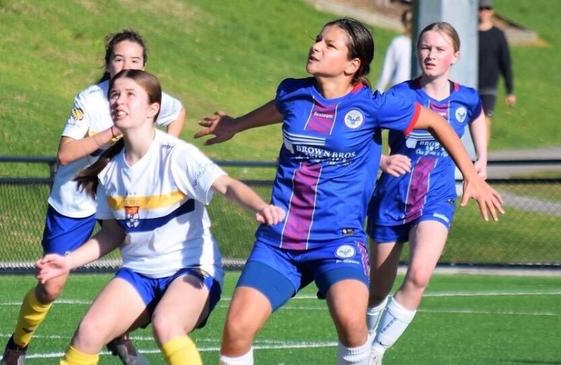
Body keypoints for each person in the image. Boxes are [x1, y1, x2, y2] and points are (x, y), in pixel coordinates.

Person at [195, 17, 503, 365]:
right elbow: (279, 108)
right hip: (280, 240)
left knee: (353, 325)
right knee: (236, 330)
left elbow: (435, 121)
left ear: (352, 65)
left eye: (330, 45)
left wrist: (472, 174)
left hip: (337, 240)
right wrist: (236, 125)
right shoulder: (293, 91)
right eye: (318, 40)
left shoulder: (375, 105)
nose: (316, 47)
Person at [35, 69, 285, 365]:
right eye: (114, 94)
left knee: (166, 324)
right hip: (140, 272)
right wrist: (67, 261)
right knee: (89, 332)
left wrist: (259, 206)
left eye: (130, 94)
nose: (119, 101)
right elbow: (113, 234)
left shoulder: (176, 155)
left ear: (153, 109)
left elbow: (226, 185)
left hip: (191, 269)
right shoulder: (109, 170)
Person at [0, 29, 185, 365]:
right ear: (107, 64)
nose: (127, 65)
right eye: (119, 59)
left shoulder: (149, 97)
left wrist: (165, 156)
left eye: (135, 60)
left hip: (123, 198)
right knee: (51, 286)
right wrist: (114, 130)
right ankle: (18, 343)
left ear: (144, 66)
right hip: (77, 199)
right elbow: (66, 154)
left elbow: (177, 110)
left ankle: (118, 332)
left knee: (153, 269)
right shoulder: (90, 100)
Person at [365, 22, 493, 364]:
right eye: (425, 47)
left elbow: (479, 114)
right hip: (391, 198)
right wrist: (382, 160)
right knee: (377, 290)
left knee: (419, 275)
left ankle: (376, 353)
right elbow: (358, 130)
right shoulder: (400, 96)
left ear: (455, 56)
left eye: (439, 49)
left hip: (436, 197)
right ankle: (361, 345)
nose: (430, 55)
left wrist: (482, 157)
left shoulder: (465, 97)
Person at [478, 0, 516, 142]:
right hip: (471, 84)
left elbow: (505, 63)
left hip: (489, 85)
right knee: (471, 120)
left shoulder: (498, 35)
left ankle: (482, 155)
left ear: (492, 12)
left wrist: (510, 91)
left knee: (485, 119)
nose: (484, 12)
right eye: (481, 9)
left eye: (487, 9)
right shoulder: (471, 35)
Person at [376, 9, 412, 92]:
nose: (409, 25)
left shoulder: (423, 45)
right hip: (398, 91)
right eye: (407, 21)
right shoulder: (398, 42)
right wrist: (378, 93)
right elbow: (386, 71)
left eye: (411, 21)